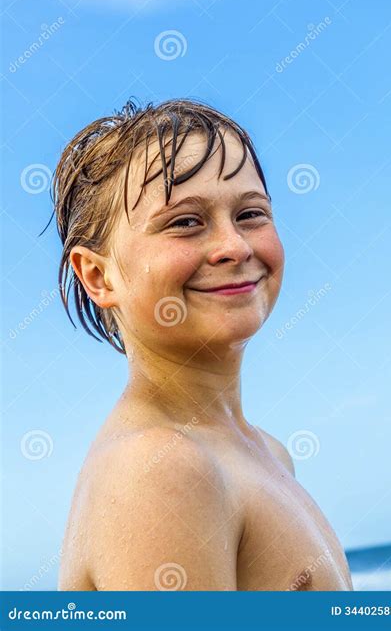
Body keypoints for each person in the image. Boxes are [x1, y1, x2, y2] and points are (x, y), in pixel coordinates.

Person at [51, 98, 353, 591]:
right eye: (185, 222)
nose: (235, 246)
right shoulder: (159, 470)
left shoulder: (269, 455)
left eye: (251, 213)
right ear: (99, 276)